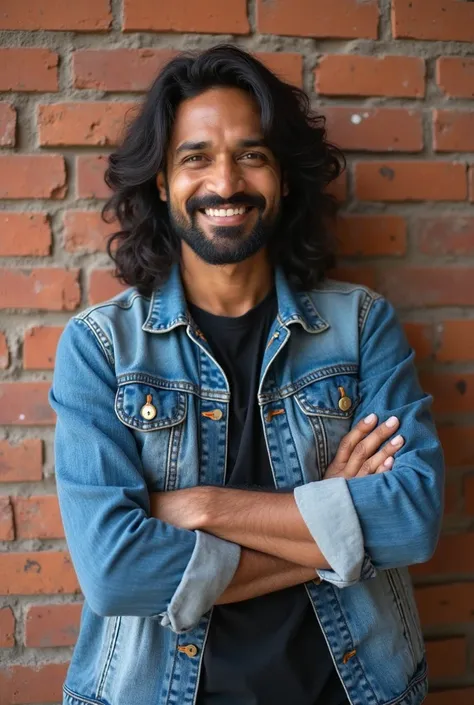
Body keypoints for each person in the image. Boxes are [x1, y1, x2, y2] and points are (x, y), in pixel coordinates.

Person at [50, 45, 444, 705]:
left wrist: (204, 508)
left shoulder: (362, 326)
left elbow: (412, 518)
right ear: (161, 181)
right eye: (196, 157)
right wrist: (335, 525)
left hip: (349, 688)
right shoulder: (100, 348)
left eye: (252, 155)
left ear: (284, 177)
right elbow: (116, 571)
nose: (225, 182)